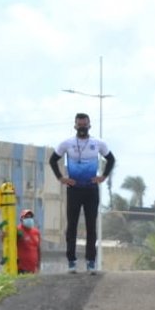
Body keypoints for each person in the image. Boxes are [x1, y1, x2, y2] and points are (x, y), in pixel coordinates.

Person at [49, 112, 115, 274]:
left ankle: (90, 261)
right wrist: (61, 178)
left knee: (91, 226)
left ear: (89, 125)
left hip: (91, 189)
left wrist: (103, 177)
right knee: (72, 226)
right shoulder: (67, 143)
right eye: (80, 125)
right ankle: (71, 261)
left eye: (85, 125)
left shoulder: (98, 143)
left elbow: (111, 159)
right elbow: (52, 160)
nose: (82, 128)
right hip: (74, 190)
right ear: (75, 126)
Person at [16, 209, 42, 274]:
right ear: (22, 219)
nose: (29, 219)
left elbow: (38, 249)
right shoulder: (18, 230)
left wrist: (38, 265)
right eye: (26, 217)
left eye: (30, 217)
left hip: (33, 269)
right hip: (20, 269)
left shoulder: (36, 232)